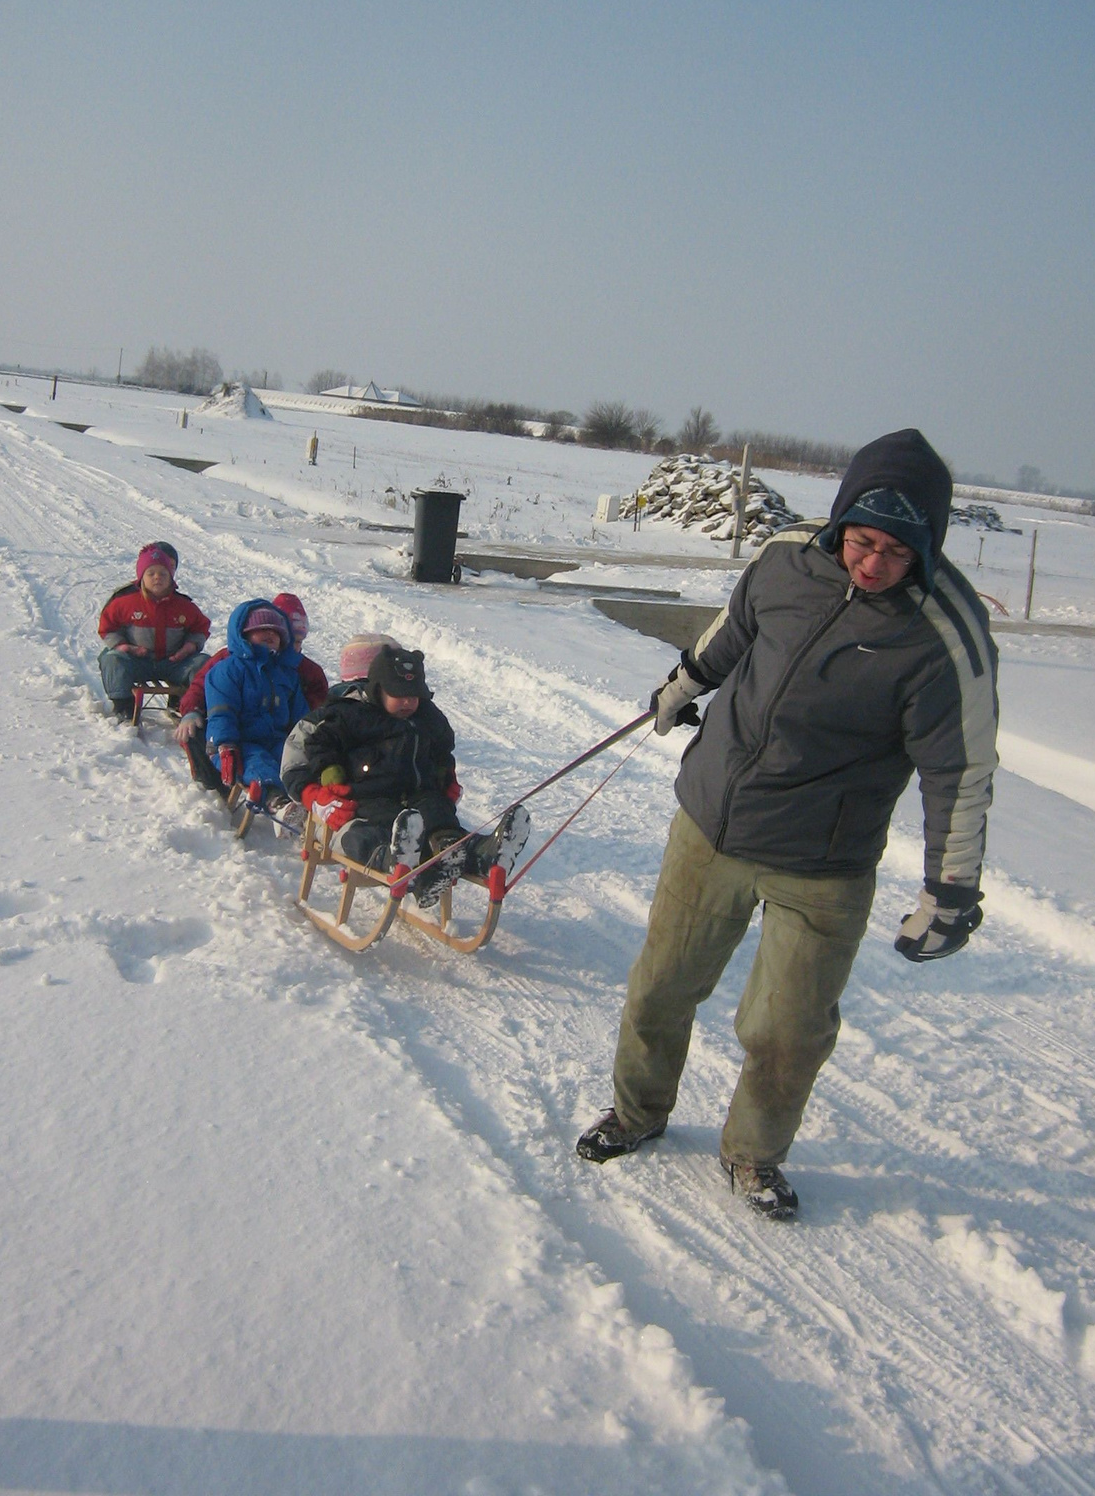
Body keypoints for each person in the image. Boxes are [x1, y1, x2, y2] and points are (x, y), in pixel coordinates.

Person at [576, 428, 998, 1220]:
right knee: (659, 991)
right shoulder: (787, 557)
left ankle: (753, 1155)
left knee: (787, 1030)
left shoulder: (943, 638)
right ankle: (637, 1114)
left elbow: (961, 772)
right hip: (713, 824)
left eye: (896, 553)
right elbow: (728, 633)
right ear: (840, 524)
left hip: (823, 859)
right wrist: (679, 686)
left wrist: (951, 889)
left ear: (928, 551)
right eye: (861, 541)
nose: (871, 564)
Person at [280, 645, 529, 904]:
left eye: (414, 695)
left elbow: (442, 748)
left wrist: (446, 777)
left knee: (438, 813)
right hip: (366, 798)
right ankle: (395, 862)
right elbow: (321, 745)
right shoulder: (350, 714)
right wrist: (329, 779)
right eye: (399, 695)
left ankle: (477, 854)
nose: (409, 702)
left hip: (418, 794)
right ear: (378, 689)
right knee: (370, 832)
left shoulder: (427, 717)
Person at [175, 591, 327, 793]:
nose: (296, 648)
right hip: (235, 730)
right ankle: (216, 780)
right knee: (207, 736)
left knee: (297, 758)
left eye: (300, 642)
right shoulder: (231, 661)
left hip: (277, 732)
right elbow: (201, 686)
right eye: (294, 641)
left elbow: (319, 698)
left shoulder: (299, 668)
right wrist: (191, 710)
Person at [204, 600, 312, 833]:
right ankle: (278, 803)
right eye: (261, 630)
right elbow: (221, 711)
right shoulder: (229, 669)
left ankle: (310, 805)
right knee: (257, 761)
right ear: (243, 635)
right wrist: (225, 744)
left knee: (295, 761)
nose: (269, 635)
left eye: (275, 632)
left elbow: (301, 717)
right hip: (238, 743)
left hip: (276, 739)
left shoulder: (287, 674)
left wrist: (309, 742)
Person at [97, 542, 211, 718]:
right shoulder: (125, 602)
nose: (157, 577)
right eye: (151, 573)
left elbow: (200, 628)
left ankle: (188, 702)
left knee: (204, 662)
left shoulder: (183, 606)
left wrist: (190, 646)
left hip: (173, 663)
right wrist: (123, 647)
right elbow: (107, 627)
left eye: (163, 573)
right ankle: (123, 705)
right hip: (137, 661)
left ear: (171, 577)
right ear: (141, 577)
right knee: (111, 659)